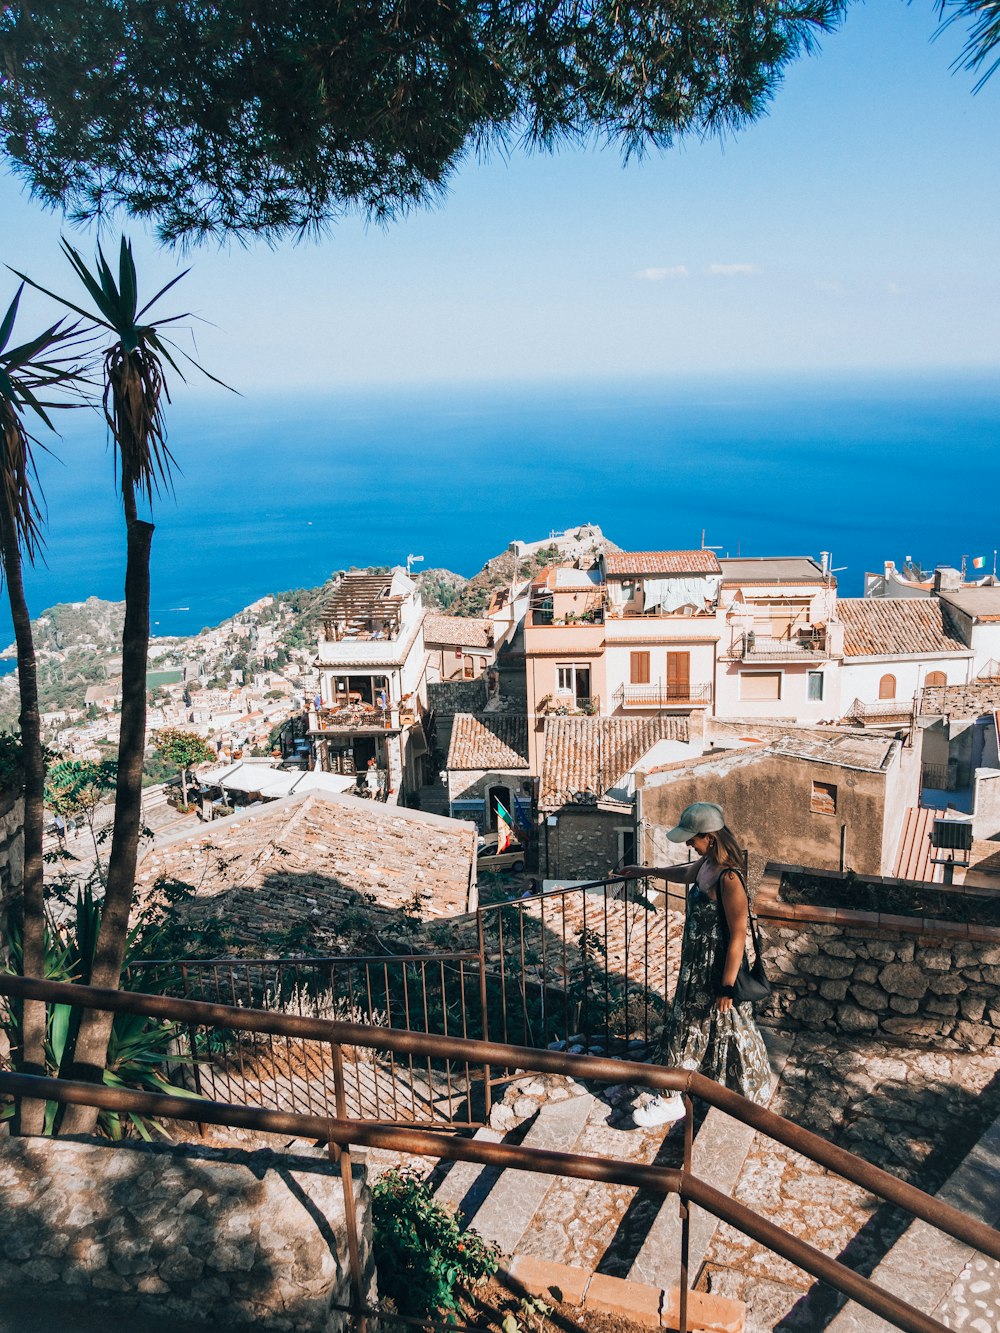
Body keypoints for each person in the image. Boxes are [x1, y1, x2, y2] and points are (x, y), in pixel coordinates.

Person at [621, 801, 771, 1126]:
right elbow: (683, 873)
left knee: (689, 1024)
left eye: (693, 838)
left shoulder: (729, 878)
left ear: (711, 837)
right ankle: (728, 1089)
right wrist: (646, 871)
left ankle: (670, 1098)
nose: (689, 843)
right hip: (696, 966)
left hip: (713, 970)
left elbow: (737, 937)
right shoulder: (707, 865)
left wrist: (727, 985)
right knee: (718, 1027)